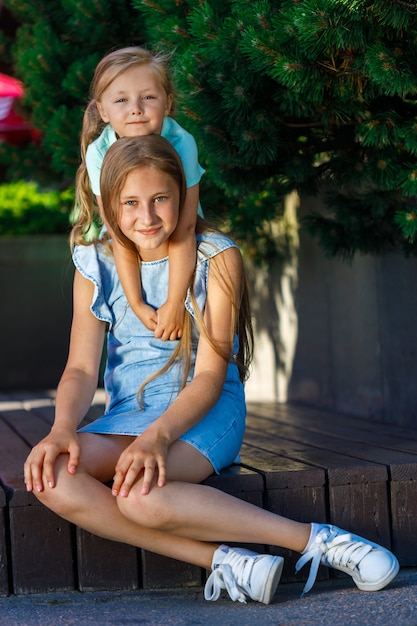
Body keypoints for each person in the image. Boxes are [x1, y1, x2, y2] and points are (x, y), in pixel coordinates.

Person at [24, 135, 399, 605]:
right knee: (52, 472)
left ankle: (316, 540)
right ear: (109, 206)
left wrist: (158, 437)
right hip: (128, 417)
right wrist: (61, 428)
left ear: (182, 195)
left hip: (203, 410)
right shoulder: (95, 263)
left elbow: (208, 377)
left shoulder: (215, 256)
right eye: (131, 203)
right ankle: (224, 560)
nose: (147, 217)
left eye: (161, 199)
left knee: (142, 495)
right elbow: (80, 368)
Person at [75, 45, 205, 341]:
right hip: (132, 244)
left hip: (181, 237)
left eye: (148, 97)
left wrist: (175, 302)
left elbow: (185, 227)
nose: (136, 108)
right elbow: (118, 233)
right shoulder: (100, 153)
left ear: (168, 102)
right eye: (121, 99)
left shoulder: (181, 142)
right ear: (103, 110)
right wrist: (135, 302)